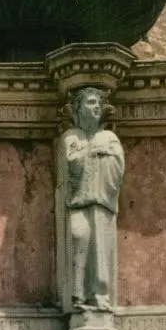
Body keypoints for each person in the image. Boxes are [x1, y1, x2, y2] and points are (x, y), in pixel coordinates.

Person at [62, 87, 125, 311]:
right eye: (90, 102)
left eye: (98, 103)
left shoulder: (109, 137)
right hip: (78, 201)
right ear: (78, 109)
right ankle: (77, 294)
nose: (96, 106)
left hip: (101, 202)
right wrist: (92, 152)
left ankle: (99, 294)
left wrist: (102, 154)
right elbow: (71, 163)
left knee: (100, 247)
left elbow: (117, 168)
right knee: (78, 240)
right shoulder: (71, 136)